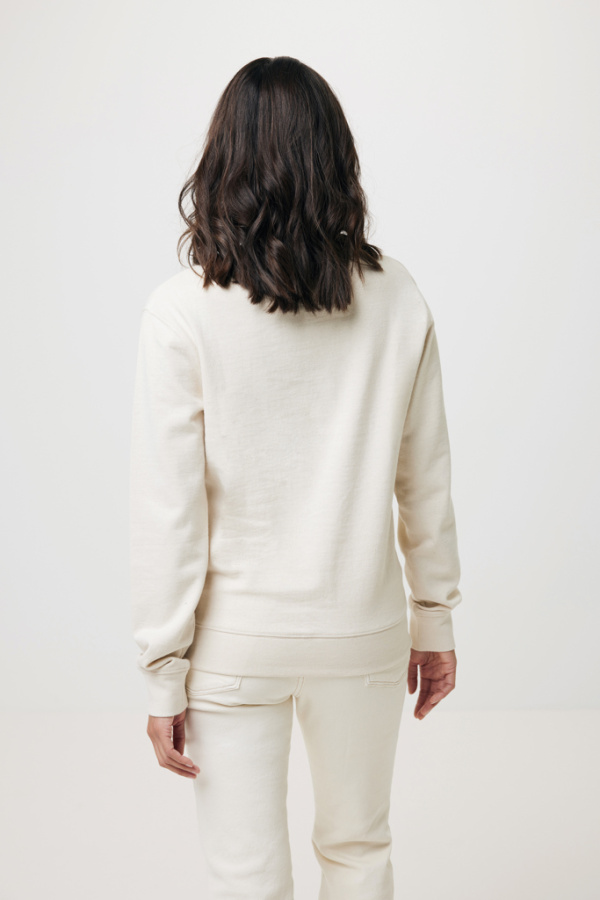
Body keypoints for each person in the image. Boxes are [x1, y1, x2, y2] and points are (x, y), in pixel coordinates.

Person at [129, 55, 462, 900]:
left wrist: (163, 669)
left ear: (223, 161)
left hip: (234, 645)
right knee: (359, 849)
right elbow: (424, 479)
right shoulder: (397, 297)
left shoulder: (181, 310)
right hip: (363, 630)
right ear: (333, 158)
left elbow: (171, 512)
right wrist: (433, 620)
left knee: (245, 877)